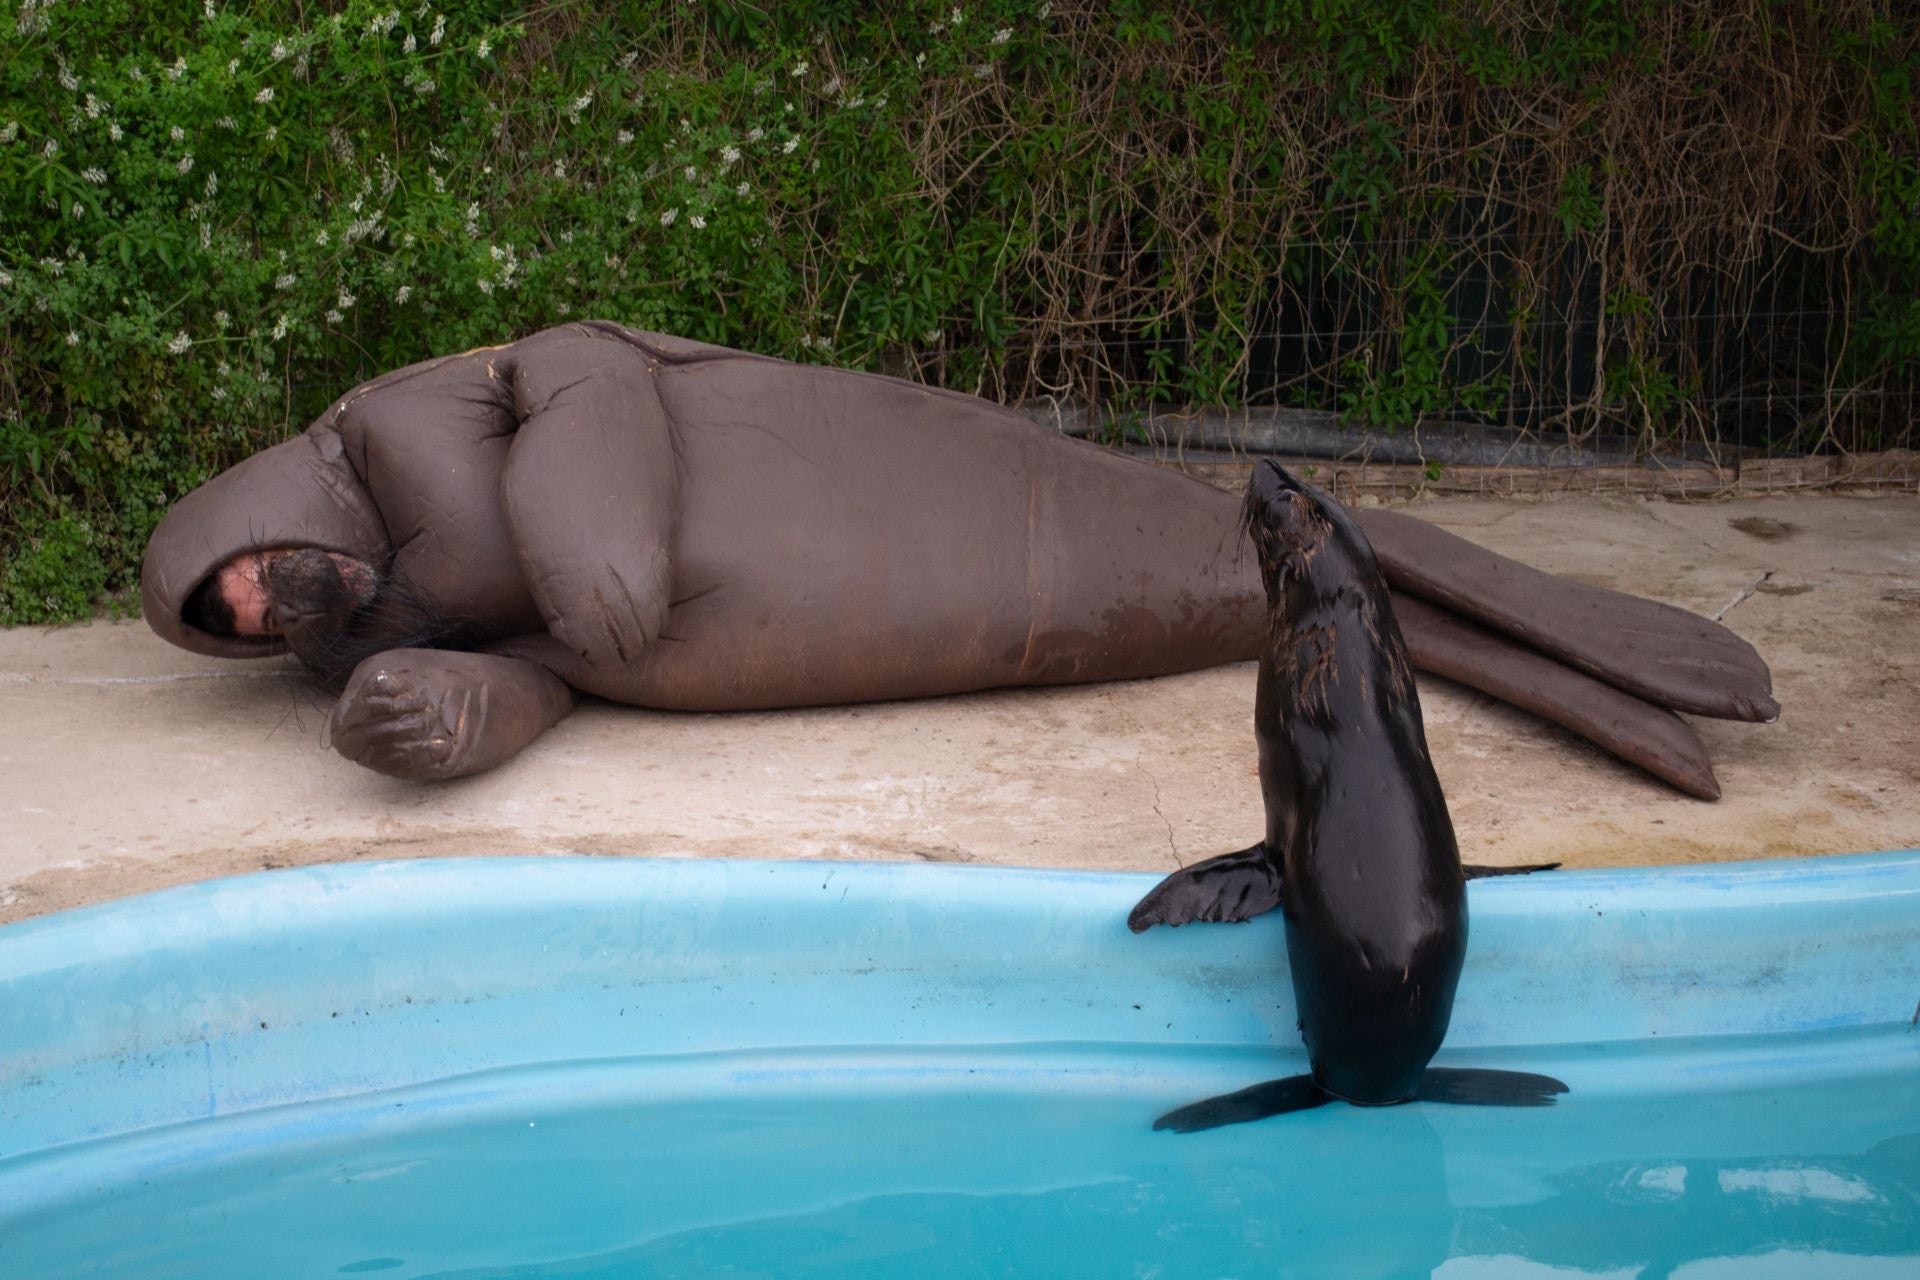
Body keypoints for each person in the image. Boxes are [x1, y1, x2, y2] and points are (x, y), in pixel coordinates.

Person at [142, 322, 1775, 792]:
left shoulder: (394, 424)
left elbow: (583, 360)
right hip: (876, 617)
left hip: (856, 495)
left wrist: (592, 536)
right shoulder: (362, 627)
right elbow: (557, 678)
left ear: (251, 510)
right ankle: (1471, 636)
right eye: (231, 625)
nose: (256, 599)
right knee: (1229, 594)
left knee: (1224, 545)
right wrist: (442, 716)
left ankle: (1519, 609)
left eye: (238, 568)